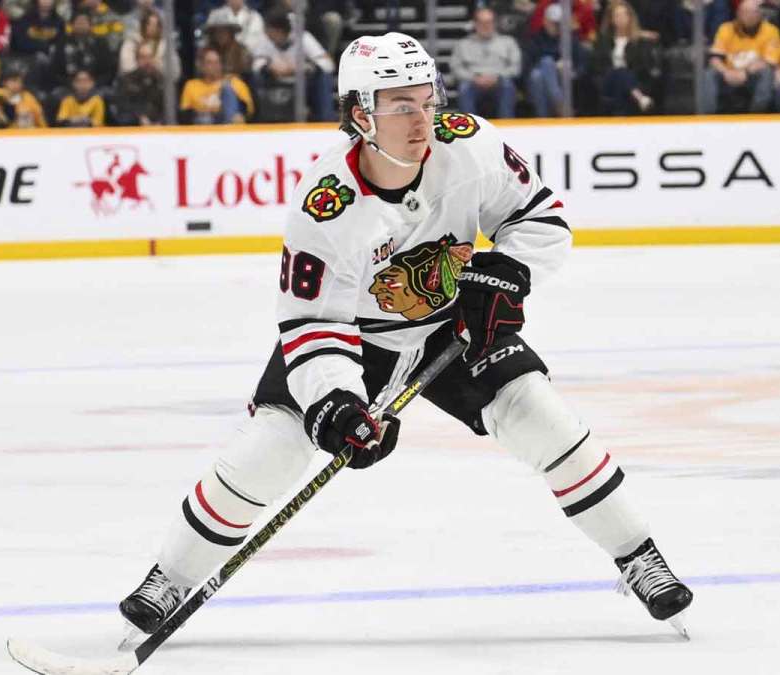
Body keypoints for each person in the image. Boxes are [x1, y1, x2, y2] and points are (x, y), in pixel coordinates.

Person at [116, 30, 694, 645]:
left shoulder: (470, 146)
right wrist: (337, 404)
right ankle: (172, 576)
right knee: (272, 450)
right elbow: (315, 322)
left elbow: (540, 218)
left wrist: (508, 272)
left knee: (544, 420)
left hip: (453, 327)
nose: (424, 120)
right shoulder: (325, 206)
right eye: (402, 107)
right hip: (355, 341)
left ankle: (638, 557)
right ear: (361, 113)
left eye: (428, 100)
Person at [250, 8, 335, 122]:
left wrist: (302, 67)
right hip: (275, 82)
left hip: (302, 83)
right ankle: (259, 119)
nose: (268, 33)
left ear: (280, 31)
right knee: (255, 77)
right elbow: (255, 64)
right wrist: (269, 66)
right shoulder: (266, 39)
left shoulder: (303, 37)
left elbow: (327, 64)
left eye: (271, 31)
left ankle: (325, 119)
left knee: (323, 77)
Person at [701, 0, 780, 113]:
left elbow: (768, 61)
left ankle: (756, 116)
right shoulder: (725, 28)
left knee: (766, 72)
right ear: (738, 13)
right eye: (746, 12)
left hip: (751, 77)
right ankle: (708, 118)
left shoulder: (771, 30)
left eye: (754, 12)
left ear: (760, 14)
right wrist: (726, 72)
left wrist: (745, 72)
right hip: (728, 76)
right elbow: (715, 58)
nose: (750, 16)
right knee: (709, 74)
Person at [592, 1, 661, 115]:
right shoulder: (603, 41)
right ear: (611, 19)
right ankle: (640, 98)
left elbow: (643, 66)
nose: (621, 19)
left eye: (624, 15)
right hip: (608, 80)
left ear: (630, 17)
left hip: (632, 80)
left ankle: (620, 117)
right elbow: (597, 65)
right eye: (617, 15)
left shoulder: (639, 41)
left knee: (622, 80)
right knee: (620, 72)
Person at [451, 6, 521, 119]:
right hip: (473, 82)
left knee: (508, 86)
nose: (485, 26)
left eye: (489, 22)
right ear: (475, 24)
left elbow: (515, 67)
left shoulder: (508, 42)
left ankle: (506, 127)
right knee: (464, 88)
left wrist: (497, 77)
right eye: (481, 22)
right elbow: (456, 68)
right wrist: (474, 78)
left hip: (499, 81)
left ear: (495, 23)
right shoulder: (463, 44)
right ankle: (470, 129)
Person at [525, 2, 589, 117]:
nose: (556, 26)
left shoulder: (571, 39)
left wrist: (571, 70)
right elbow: (527, 67)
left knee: (541, 71)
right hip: (538, 85)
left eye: (559, 23)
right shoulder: (535, 39)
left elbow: (582, 64)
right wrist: (552, 68)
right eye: (553, 23)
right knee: (542, 68)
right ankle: (560, 106)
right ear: (545, 21)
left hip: (566, 80)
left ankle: (545, 116)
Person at [180, 47, 252, 124]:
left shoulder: (234, 82)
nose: (214, 66)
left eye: (217, 62)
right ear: (202, 66)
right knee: (205, 119)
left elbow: (248, 110)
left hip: (227, 124)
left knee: (227, 89)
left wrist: (240, 114)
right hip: (202, 125)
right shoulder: (191, 85)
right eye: (209, 63)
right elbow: (185, 113)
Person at [51, 9, 116, 88]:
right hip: (68, 86)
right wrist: (71, 84)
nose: (81, 25)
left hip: (95, 85)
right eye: (78, 22)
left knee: (108, 95)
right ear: (72, 25)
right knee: (54, 96)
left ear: (90, 25)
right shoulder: (62, 42)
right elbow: (55, 72)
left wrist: (94, 84)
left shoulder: (101, 43)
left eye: (84, 22)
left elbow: (109, 71)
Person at [118, 9, 179, 82]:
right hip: (134, 84)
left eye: (156, 25)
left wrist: (157, 65)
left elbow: (175, 72)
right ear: (143, 25)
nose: (153, 28)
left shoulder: (165, 45)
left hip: (160, 85)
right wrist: (143, 67)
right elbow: (126, 67)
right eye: (149, 24)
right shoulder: (131, 42)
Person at [113, 40, 164, 124]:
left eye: (150, 57)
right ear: (137, 59)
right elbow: (122, 106)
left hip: (159, 128)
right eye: (143, 57)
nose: (147, 61)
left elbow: (168, 108)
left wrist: (160, 122)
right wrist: (140, 117)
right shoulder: (126, 80)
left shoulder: (161, 80)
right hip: (134, 127)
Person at [203, 14, 250, 79]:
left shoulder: (241, 50)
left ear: (231, 33)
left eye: (224, 31)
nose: (221, 35)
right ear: (213, 34)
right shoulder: (205, 51)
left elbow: (246, 72)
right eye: (218, 31)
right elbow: (200, 70)